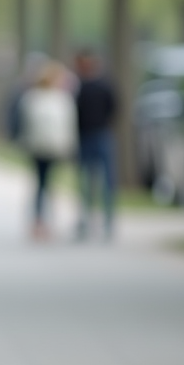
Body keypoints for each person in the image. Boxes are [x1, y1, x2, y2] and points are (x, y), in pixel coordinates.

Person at [17, 62, 77, 241]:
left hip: (49, 147)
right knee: (42, 184)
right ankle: (39, 221)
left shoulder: (36, 98)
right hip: (41, 147)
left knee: (46, 185)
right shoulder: (54, 99)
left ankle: (45, 220)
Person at [74, 49, 118, 239]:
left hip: (99, 135)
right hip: (86, 137)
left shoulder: (102, 85)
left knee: (105, 181)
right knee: (85, 182)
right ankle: (86, 220)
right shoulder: (80, 86)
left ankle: (107, 222)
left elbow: (114, 107)